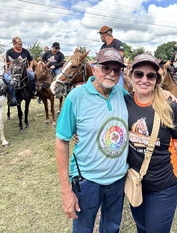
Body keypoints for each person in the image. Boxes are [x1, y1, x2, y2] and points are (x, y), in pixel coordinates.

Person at [55, 48, 128, 233]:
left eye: (116, 70)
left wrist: (165, 95)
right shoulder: (76, 97)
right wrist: (66, 191)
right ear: (94, 68)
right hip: (87, 180)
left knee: (112, 228)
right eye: (106, 68)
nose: (111, 73)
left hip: (118, 179)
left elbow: (145, 102)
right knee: (83, 229)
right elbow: (62, 141)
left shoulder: (122, 94)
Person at [125, 53, 177, 233]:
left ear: (157, 79)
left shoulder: (170, 107)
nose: (144, 79)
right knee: (141, 226)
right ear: (131, 77)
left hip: (165, 184)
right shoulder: (125, 101)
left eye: (150, 75)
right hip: (136, 182)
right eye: (139, 74)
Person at [4, 37, 35, 106]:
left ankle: (33, 92)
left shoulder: (25, 51)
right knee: (9, 80)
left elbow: (31, 60)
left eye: (21, 44)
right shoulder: (9, 52)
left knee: (33, 76)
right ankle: (13, 97)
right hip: (13, 70)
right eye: (19, 44)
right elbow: (8, 62)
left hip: (24, 69)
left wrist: (30, 67)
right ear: (14, 44)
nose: (21, 45)